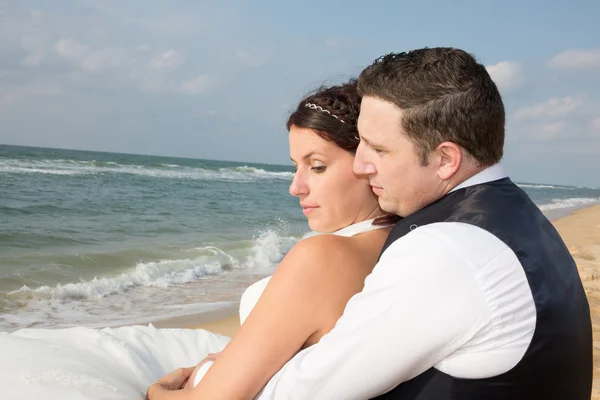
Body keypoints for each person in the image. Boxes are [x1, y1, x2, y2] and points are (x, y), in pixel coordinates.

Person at [0, 80, 396, 400]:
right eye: (296, 167)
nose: (296, 187)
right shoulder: (395, 242)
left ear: (368, 162)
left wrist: (158, 394)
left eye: (318, 166)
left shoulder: (322, 255)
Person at [251, 47, 593, 399]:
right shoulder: (518, 216)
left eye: (378, 149)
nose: (360, 165)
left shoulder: (447, 250)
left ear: (446, 159)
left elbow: (304, 391)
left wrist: (208, 373)